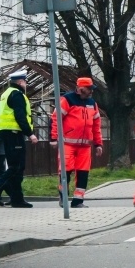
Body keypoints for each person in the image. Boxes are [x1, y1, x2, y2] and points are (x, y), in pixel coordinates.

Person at [0, 70, 38, 208]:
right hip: (15, 133)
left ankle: (17, 199)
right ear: (20, 82)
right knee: (17, 166)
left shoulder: (6, 94)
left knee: (16, 167)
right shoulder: (17, 94)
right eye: (25, 82)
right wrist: (30, 133)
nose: (25, 84)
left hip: (7, 133)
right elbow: (20, 116)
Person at [50, 77, 103, 208]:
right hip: (67, 144)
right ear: (80, 89)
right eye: (89, 89)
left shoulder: (92, 103)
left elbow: (96, 125)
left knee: (83, 173)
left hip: (85, 146)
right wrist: (53, 138)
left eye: (91, 89)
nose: (91, 91)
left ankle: (78, 201)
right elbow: (56, 119)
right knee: (65, 171)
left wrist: (98, 144)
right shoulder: (67, 100)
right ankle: (63, 198)